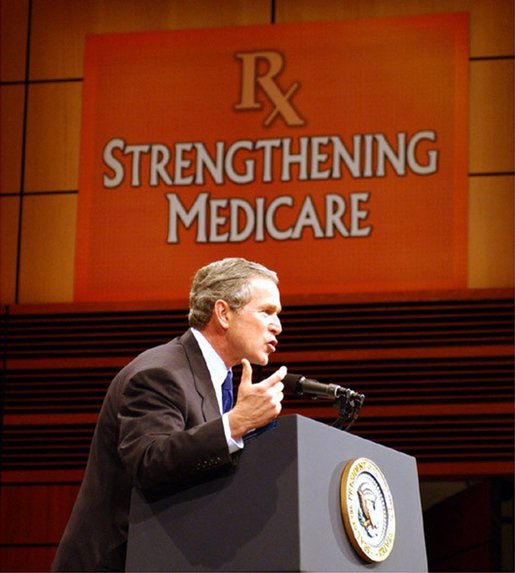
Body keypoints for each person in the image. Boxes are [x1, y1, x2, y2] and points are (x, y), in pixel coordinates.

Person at [51, 257, 286, 572]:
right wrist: (235, 424)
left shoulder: (221, 381)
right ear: (224, 313)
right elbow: (150, 461)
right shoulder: (160, 373)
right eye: (267, 311)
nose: (278, 326)